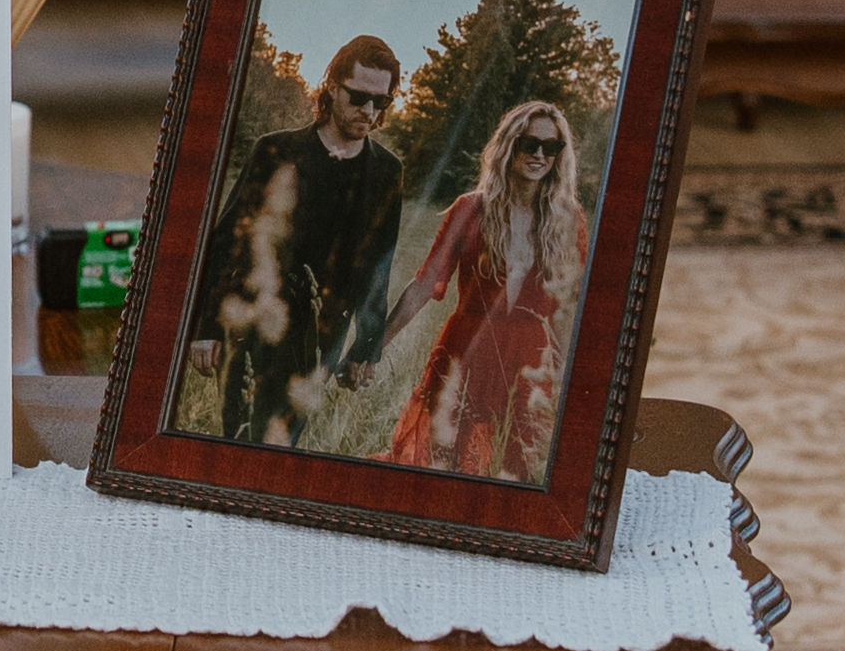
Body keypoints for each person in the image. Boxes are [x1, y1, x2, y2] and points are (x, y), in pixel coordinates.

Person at [185, 33, 404, 444]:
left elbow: (379, 263)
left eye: (382, 101)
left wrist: (366, 350)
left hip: (321, 341)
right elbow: (227, 241)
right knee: (242, 436)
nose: (369, 111)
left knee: (283, 442)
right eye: (359, 97)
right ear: (333, 87)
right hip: (252, 325)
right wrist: (207, 325)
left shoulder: (387, 173)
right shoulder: (276, 151)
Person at [387, 99, 588, 482]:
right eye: (531, 143)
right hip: (466, 357)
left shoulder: (568, 219)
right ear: (510, 145)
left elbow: (572, 307)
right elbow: (425, 283)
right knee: (449, 467)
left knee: (521, 473)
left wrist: (574, 381)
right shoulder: (469, 210)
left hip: (531, 366)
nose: (540, 155)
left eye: (552, 147)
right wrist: (374, 346)